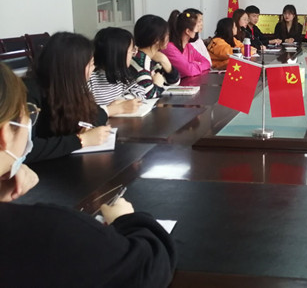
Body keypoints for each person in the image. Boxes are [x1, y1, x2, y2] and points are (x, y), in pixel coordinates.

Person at [0, 62, 177, 286]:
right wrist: (127, 219)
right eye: (29, 115)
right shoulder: (52, 231)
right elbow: (149, 269)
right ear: (5, 134)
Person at [23, 32, 112, 163]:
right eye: (90, 64)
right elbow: (25, 149)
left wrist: (89, 129)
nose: (93, 69)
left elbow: (96, 113)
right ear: (73, 67)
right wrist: (81, 140)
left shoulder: (69, 86)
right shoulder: (28, 93)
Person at [89, 27, 145, 113]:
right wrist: (114, 108)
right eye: (131, 51)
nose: (133, 55)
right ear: (118, 54)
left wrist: (125, 100)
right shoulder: (90, 79)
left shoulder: (121, 75)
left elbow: (140, 91)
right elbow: (87, 112)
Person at [131, 14, 180, 98]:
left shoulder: (153, 58)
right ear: (156, 39)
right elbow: (149, 94)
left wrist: (164, 60)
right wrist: (157, 84)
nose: (169, 37)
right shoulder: (140, 61)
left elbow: (174, 83)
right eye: (167, 34)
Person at [162, 8, 211, 78]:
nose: (198, 31)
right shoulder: (170, 48)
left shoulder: (188, 47)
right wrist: (194, 65)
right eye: (196, 27)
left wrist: (192, 65)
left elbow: (207, 63)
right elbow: (189, 71)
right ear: (188, 31)